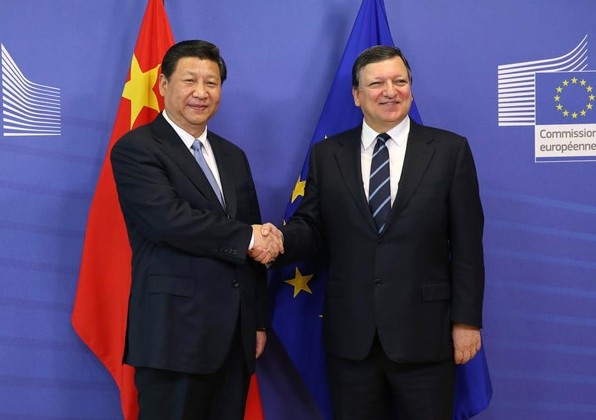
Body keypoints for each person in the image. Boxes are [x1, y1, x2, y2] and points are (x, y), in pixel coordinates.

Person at [254, 45, 485, 419]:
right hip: (352, 338)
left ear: (411, 88)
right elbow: (312, 228)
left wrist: (467, 321)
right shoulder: (328, 155)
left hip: (426, 335)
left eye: (400, 81)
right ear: (356, 95)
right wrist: (277, 240)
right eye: (377, 83)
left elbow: (467, 244)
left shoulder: (449, 150)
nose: (390, 91)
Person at [110, 40, 283, 420]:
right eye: (190, 80)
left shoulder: (233, 156)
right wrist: (250, 237)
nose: (201, 92)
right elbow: (167, 220)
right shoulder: (137, 149)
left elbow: (250, 239)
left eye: (211, 82)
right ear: (163, 84)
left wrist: (255, 321)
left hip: (234, 338)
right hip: (173, 335)